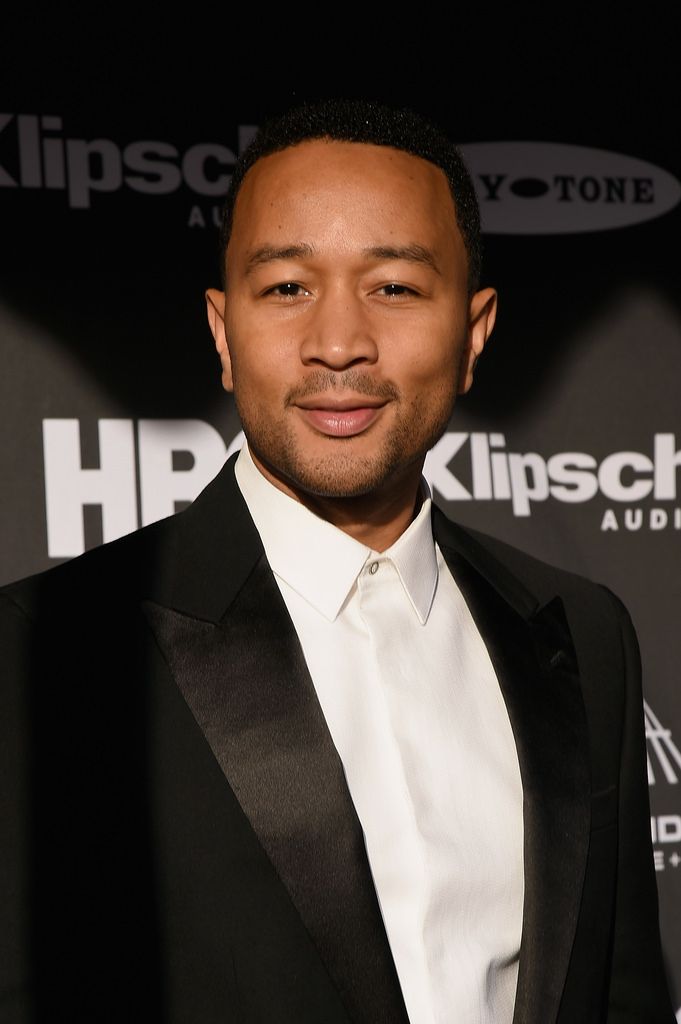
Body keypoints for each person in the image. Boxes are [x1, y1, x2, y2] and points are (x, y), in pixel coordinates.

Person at [0, 100, 674, 1024]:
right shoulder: (45, 652)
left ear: (473, 332)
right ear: (222, 330)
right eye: (286, 288)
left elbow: (619, 992)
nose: (337, 343)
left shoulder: (583, 629)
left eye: (393, 286)